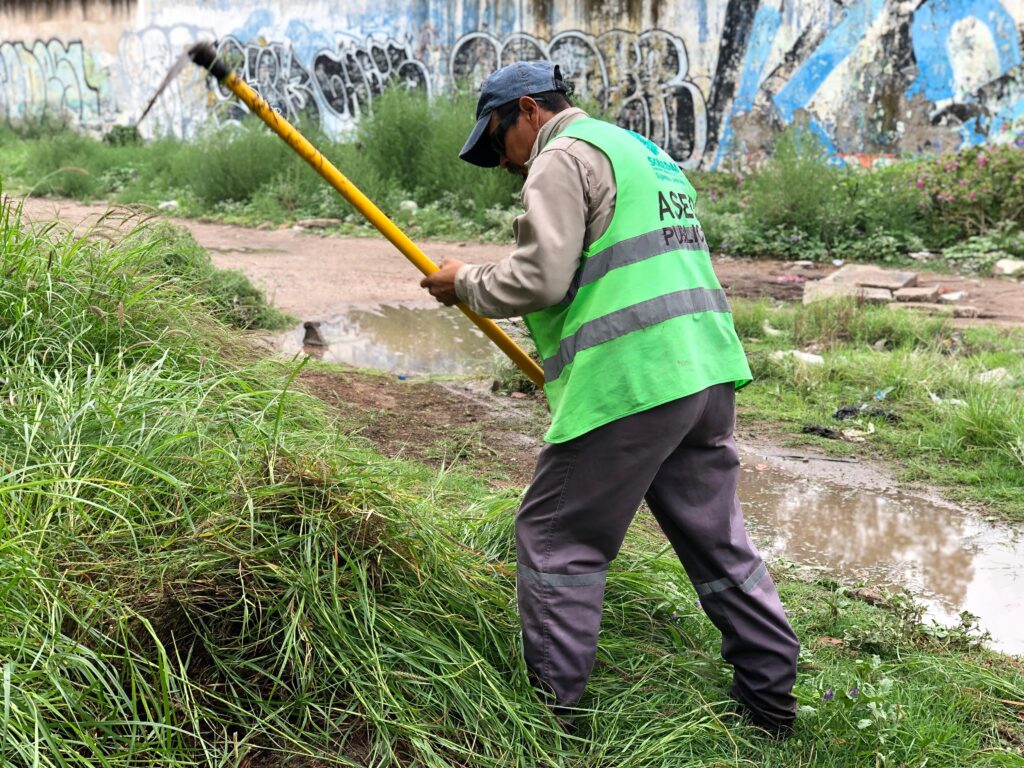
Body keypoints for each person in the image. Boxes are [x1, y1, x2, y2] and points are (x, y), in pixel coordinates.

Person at [420, 60, 800, 736]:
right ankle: (770, 703)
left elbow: (541, 276)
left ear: (528, 110)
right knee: (717, 543)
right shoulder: (640, 152)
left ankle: (554, 717)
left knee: (558, 536)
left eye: (497, 139)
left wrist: (466, 283)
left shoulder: (561, 154)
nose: (504, 161)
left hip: (636, 379)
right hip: (703, 371)